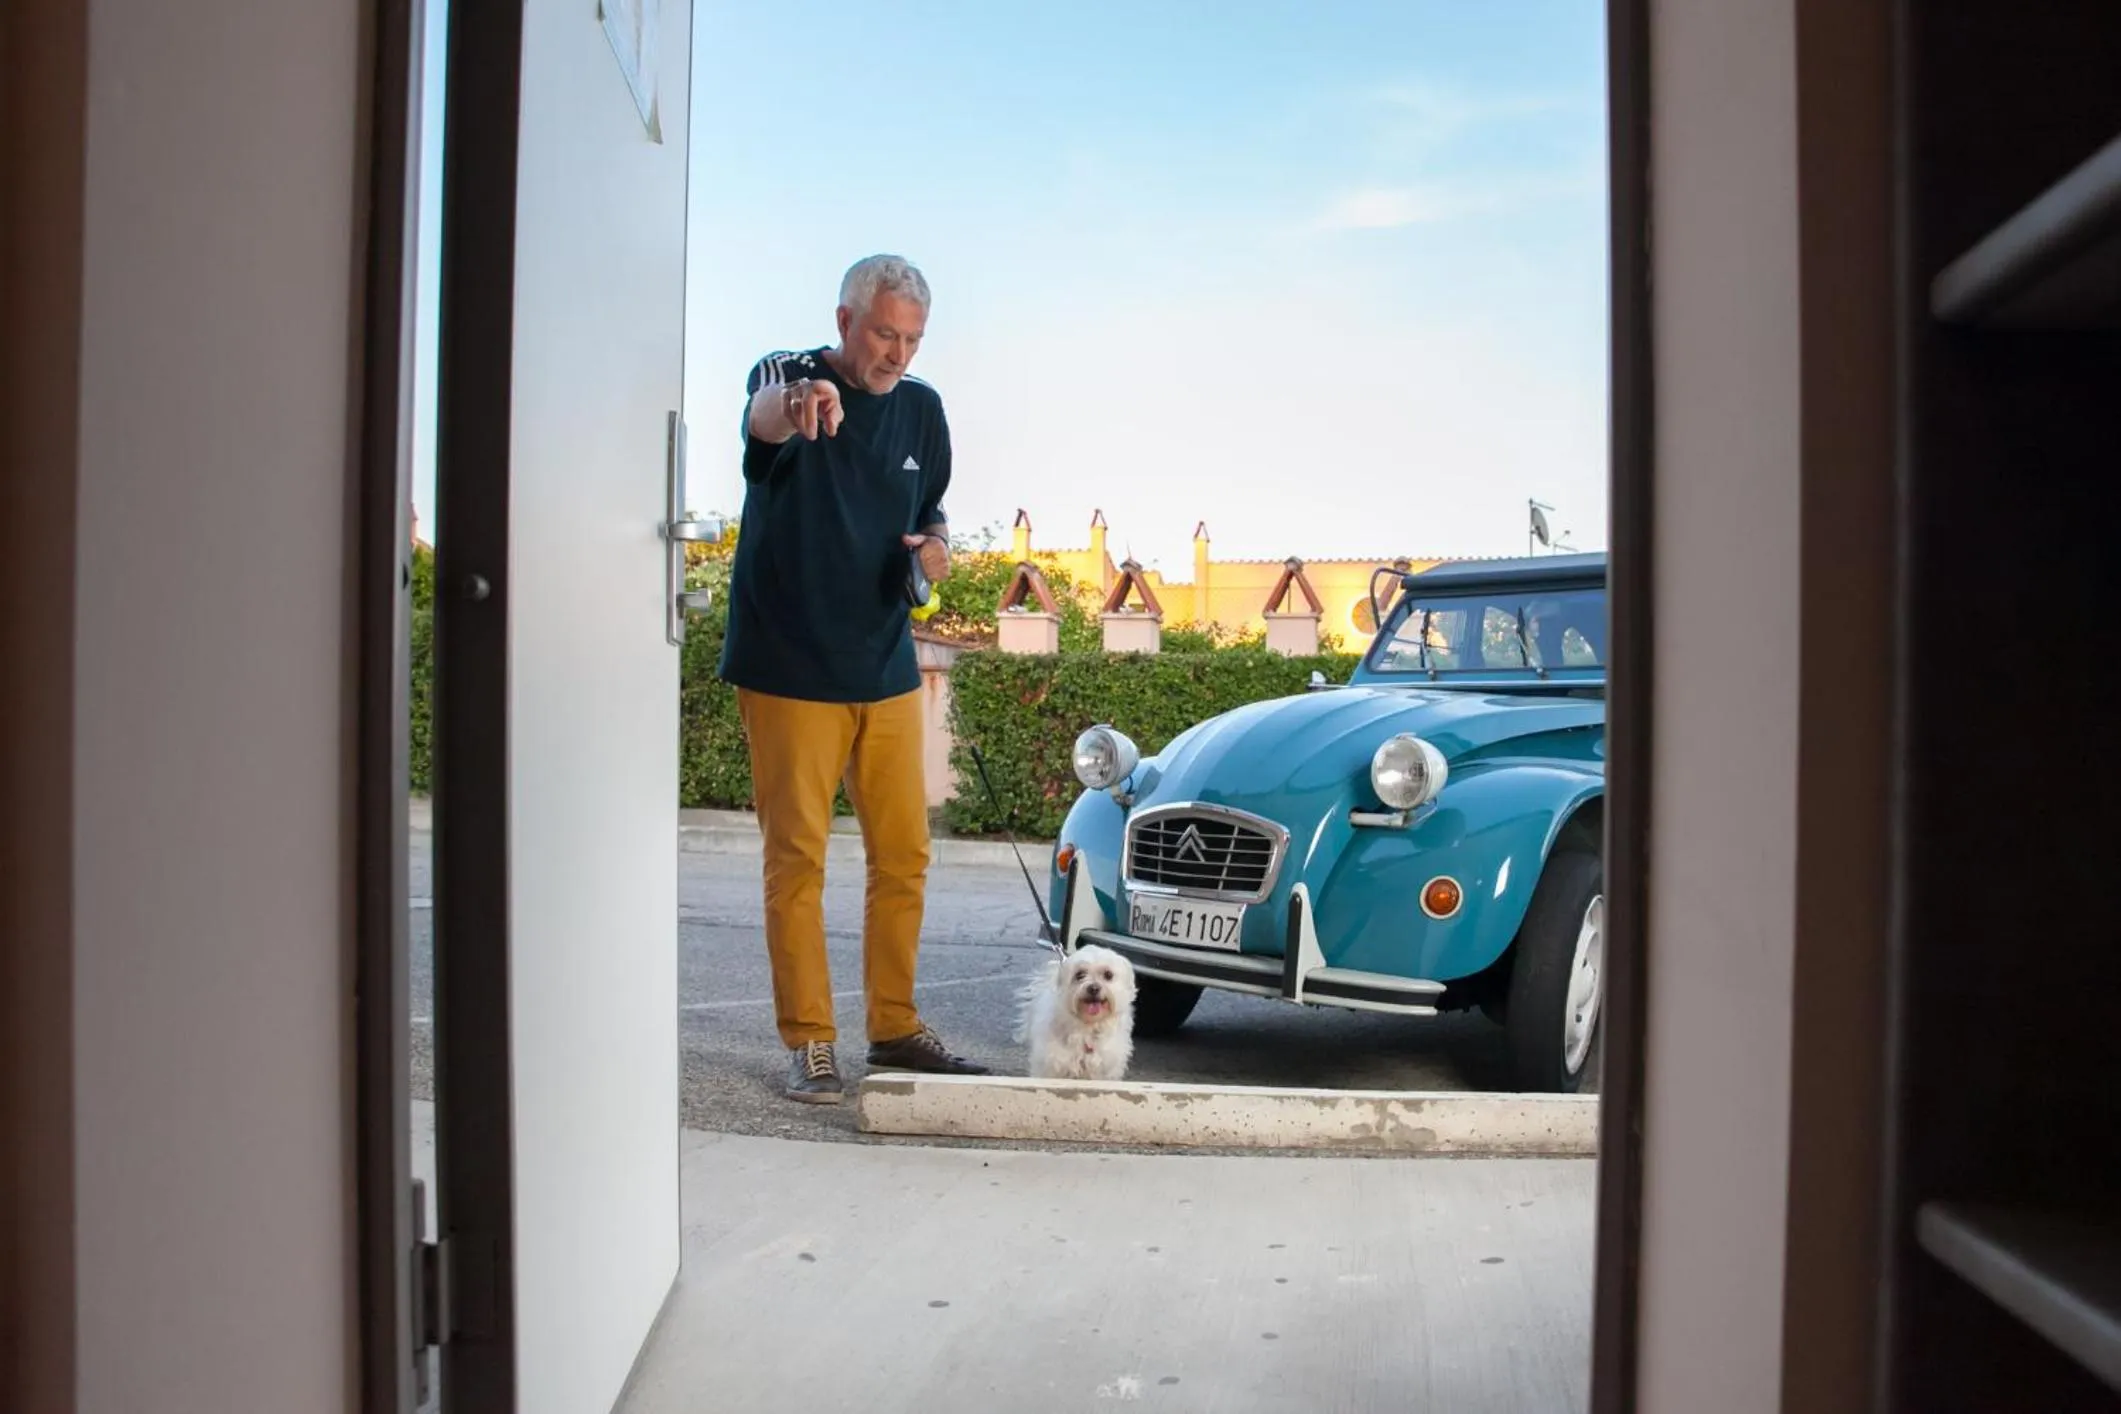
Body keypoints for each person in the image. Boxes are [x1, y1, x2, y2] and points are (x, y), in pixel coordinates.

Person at [718, 254, 991, 1103]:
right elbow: (763, 421)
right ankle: (809, 1041)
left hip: (884, 663)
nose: (896, 354)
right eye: (883, 333)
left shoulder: (922, 411)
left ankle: (895, 1027)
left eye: (911, 339)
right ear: (844, 321)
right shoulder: (789, 377)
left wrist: (937, 551)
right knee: (797, 857)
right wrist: (800, 410)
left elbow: (930, 512)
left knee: (904, 854)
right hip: (788, 664)